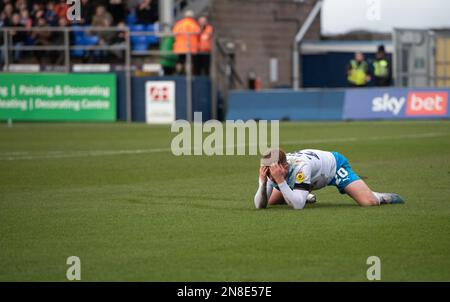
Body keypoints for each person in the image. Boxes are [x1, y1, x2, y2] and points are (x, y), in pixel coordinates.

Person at [254, 149, 404, 210]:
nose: (271, 175)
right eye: (268, 172)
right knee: (271, 200)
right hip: (308, 178)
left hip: (333, 167)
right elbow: (259, 205)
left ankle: (381, 196)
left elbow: (298, 207)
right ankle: (304, 193)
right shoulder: (272, 170)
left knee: (368, 202)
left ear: (284, 166)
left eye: (273, 172)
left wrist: (280, 181)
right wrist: (263, 182)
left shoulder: (300, 167)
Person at [172, 10, 200, 74]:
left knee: (180, 61)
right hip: (191, 47)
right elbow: (198, 34)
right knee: (189, 62)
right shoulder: (194, 24)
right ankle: (188, 75)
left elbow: (174, 34)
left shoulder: (179, 24)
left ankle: (178, 73)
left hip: (179, 47)